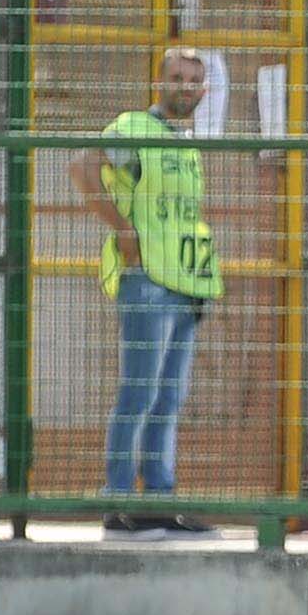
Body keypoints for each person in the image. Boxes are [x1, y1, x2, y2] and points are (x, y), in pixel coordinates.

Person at [69, 46, 222, 540]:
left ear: (203, 91)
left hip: (183, 286)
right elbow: (82, 166)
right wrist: (120, 228)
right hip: (146, 281)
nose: (184, 86)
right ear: (160, 82)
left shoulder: (186, 144)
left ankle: (159, 501)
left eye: (192, 80)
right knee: (139, 392)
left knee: (169, 398)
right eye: (175, 77)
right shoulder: (134, 127)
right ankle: (119, 504)